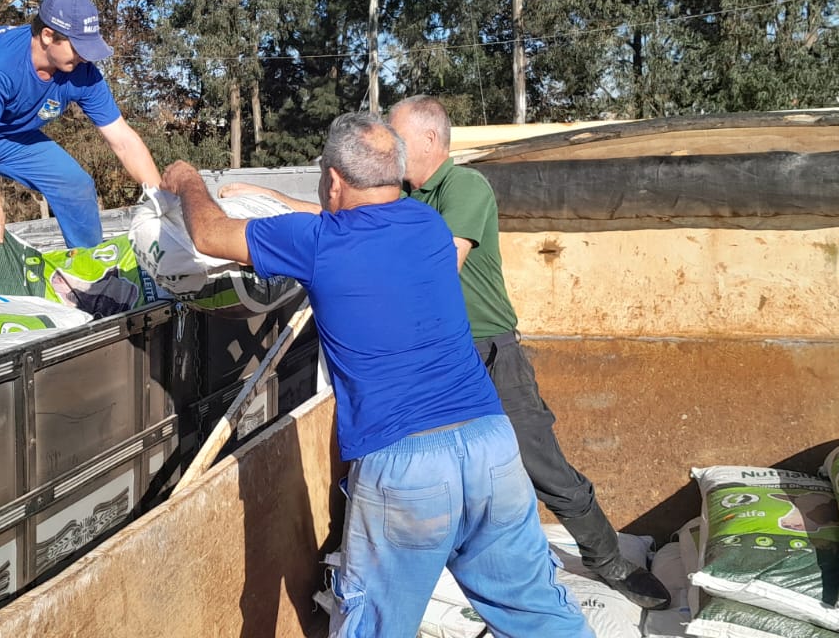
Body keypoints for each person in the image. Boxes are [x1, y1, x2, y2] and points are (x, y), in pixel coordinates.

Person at [221, 96, 671, 610]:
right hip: (431, 358)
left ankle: (609, 560)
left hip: (487, 352)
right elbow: (346, 226)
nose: (389, 148)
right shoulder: (401, 199)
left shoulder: (465, 188)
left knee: (542, 464)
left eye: (397, 136)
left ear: (431, 140)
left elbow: (437, 262)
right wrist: (272, 198)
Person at [164, 112, 591, 638]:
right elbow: (356, 226)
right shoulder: (428, 225)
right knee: (541, 618)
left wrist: (188, 179)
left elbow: (208, 234)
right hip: (492, 448)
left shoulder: (318, 242)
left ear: (333, 181)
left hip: (405, 466)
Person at [0, 0, 161, 288]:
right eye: (78, 47)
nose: (84, 57)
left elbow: (123, 139)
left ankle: (92, 274)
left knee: (74, 185)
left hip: (8, 130)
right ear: (48, 36)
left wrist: (161, 198)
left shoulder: (83, 73)